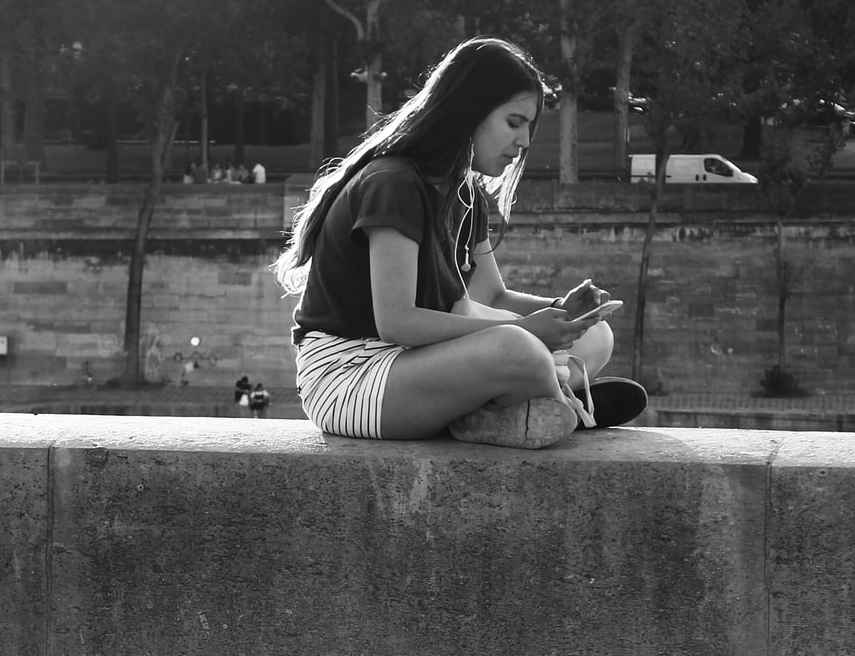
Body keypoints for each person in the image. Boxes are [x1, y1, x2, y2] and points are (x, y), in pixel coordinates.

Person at [271, 37, 646, 448]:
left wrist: (563, 312)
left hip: (418, 362)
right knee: (518, 348)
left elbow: (492, 296)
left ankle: (535, 404)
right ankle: (556, 402)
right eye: (514, 122)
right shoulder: (394, 184)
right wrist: (525, 330)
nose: (524, 142)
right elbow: (397, 322)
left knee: (596, 336)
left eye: (529, 126)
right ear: (470, 110)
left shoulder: (465, 193)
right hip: (352, 377)